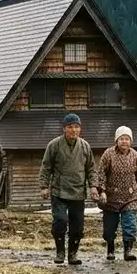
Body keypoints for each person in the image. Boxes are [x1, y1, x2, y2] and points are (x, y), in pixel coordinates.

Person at [39, 113, 97, 265]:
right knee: (60, 221)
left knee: (77, 226)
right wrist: (44, 186)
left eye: (77, 127)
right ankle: (60, 252)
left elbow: (91, 169)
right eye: (70, 127)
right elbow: (46, 167)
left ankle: (73, 254)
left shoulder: (85, 146)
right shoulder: (54, 145)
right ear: (64, 129)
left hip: (78, 192)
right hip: (59, 191)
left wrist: (94, 187)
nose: (74, 130)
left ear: (80, 129)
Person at [95, 126, 137, 261]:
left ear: (131, 141)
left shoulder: (135, 156)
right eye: (122, 139)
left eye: (127, 139)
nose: (124, 141)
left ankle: (128, 251)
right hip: (111, 196)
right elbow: (101, 174)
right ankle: (110, 250)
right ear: (117, 140)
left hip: (130, 196)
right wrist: (102, 191)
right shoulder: (108, 154)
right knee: (110, 227)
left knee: (129, 224)